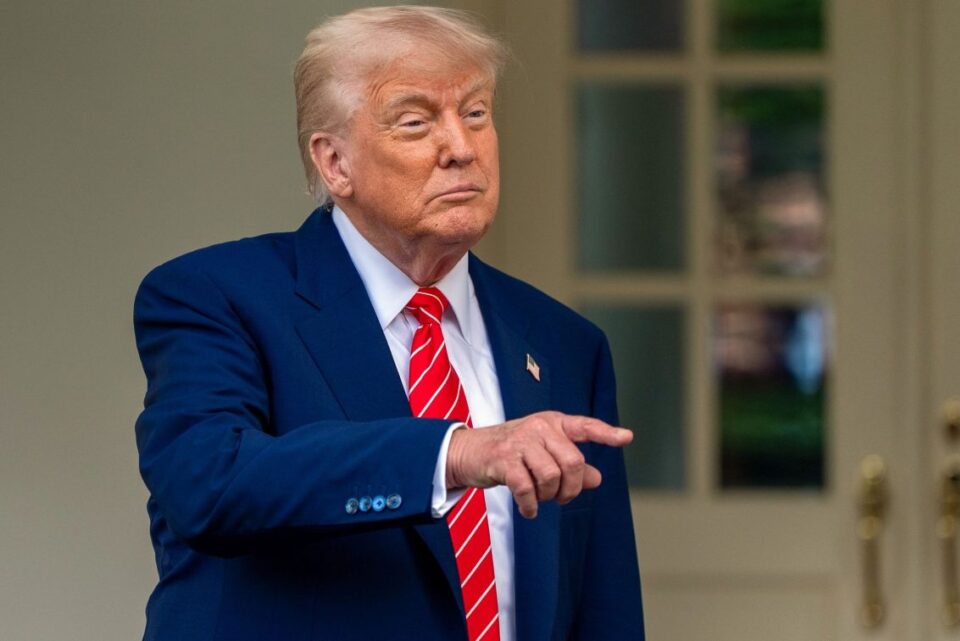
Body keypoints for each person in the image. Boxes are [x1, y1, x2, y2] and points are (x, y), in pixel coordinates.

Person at [132, 6, 643, 641]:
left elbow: (603, 606)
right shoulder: (216, 296)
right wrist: (453, 453)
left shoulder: (564, 343)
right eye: (415, 122)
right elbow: (209, 486)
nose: (462, 148)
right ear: (335, 163)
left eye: (476, 113)